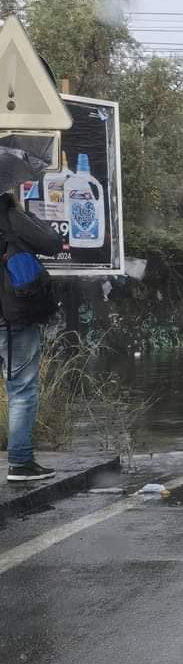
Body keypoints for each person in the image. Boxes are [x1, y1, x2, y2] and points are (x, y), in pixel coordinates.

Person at [0, 193, 63, 482]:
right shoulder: (8, 212)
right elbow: (51, 243)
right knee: (21, 390)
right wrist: (21, 211)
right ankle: (21, 462)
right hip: (12, 315)